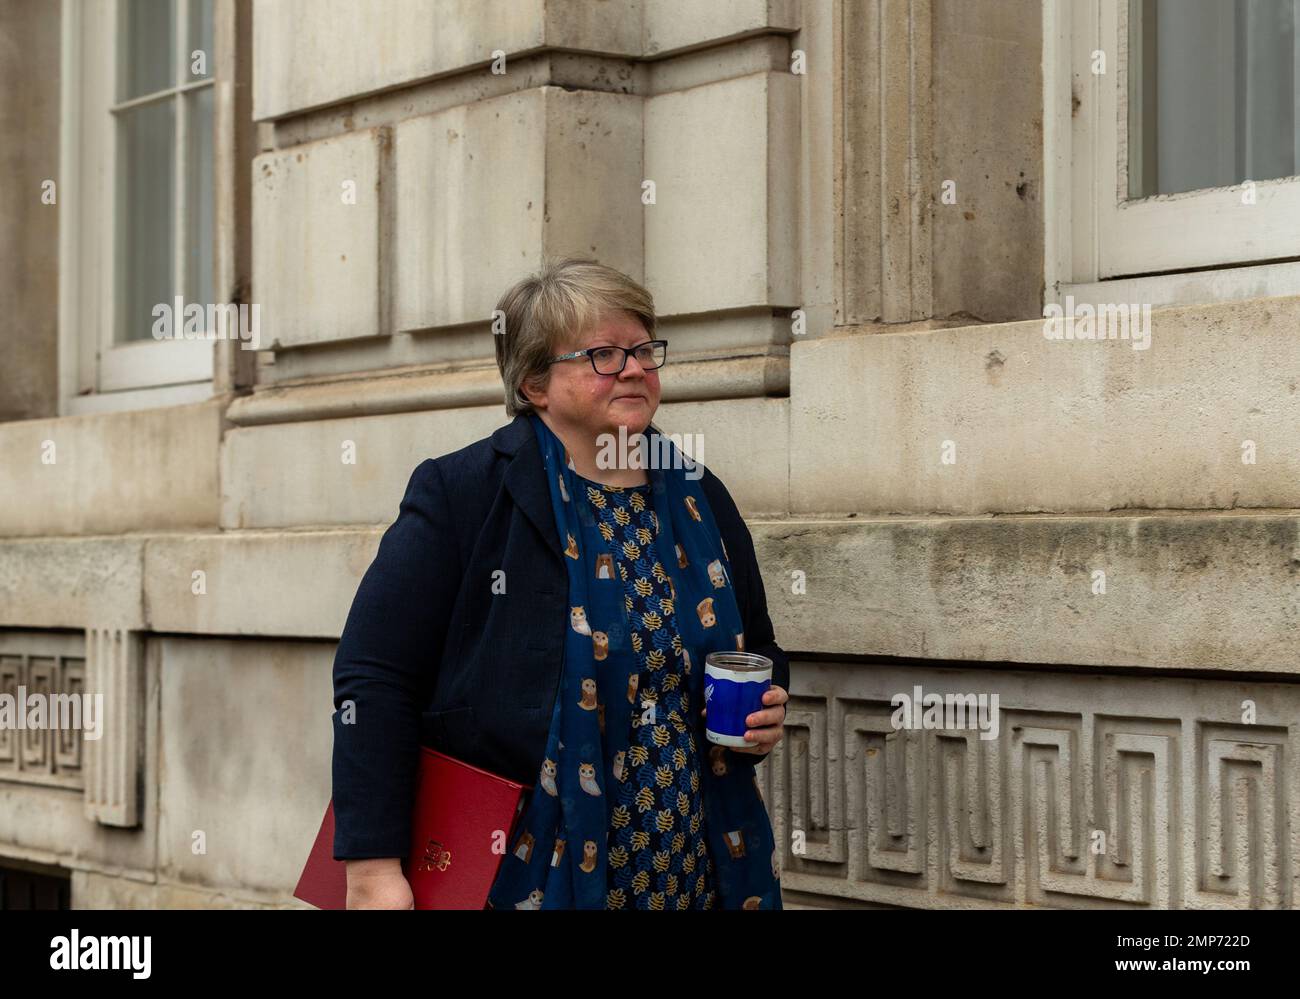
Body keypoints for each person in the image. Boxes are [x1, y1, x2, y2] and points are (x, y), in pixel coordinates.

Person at [331, 255, 790, 909]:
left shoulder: (698, 497)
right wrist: (372, 871)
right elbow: (374, 677)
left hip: (688, 866)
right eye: (603, 353)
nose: (633, 368)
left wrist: (767, 710)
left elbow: (760, 651)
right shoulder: (463, 493)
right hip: (522, 869)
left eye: (642, 350)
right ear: (535, 384)